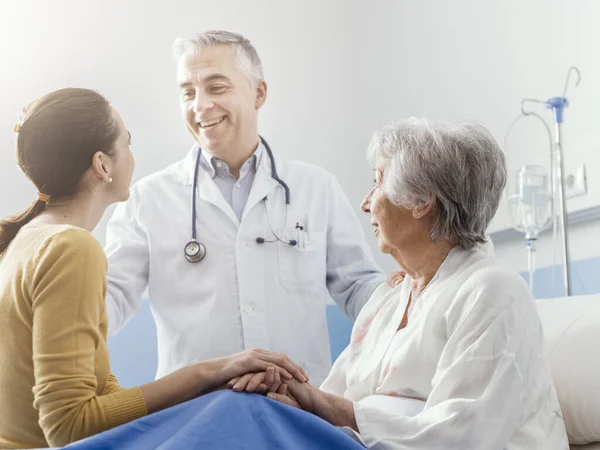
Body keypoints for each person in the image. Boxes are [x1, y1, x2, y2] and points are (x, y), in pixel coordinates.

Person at [0, 88, 307, 449]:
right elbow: (69, 426)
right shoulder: (70, 247)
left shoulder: (26, 240)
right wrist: (207, 371)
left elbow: (97, 390)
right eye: (126, 141)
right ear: (103, 165)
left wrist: (214, 380)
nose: (132, 154)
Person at [252, 118, 569, 448]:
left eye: (377, 183)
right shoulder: (387, 301)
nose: (366, 203)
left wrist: (320, 405)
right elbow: (326, 402)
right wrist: (284, 394)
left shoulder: (493, 293)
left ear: (422, 201)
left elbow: (461, 437)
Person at [104, 30, 388, 386]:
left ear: (259, 93)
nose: (200, 105)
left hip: (298, 406)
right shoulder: (147, 199)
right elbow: (109, 296)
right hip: (194, 412)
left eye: (216, 87)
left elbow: (359, 287)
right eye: (188, 92)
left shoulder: (316, 188)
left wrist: (416, 301)